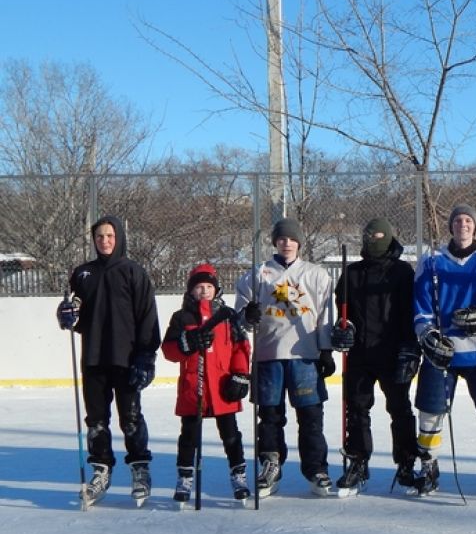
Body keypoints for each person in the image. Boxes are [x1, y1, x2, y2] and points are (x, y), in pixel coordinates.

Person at [56, 215, 160, 507]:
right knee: (96, 421)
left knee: (131, 418)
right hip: (93, 359)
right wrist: (66, 316)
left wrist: (145, 356)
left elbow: (147, 318)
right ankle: (101, 470)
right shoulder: (82, 274)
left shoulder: (133, 272)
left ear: (119, 238)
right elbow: (74, 313)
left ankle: (139, 468)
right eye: (100, 236)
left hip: (126, 360)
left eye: (110, 236)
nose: (105, 241)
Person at [412, 204, 476, 495]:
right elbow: (420, 306)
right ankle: (428, 464)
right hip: (441, 351)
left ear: (475, 225)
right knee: (431, 411)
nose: (463, 225)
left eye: (468, 220)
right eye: (458, 220)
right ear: (451, 226)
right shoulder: (431, 260)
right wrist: (428, 335)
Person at [234, 217, 336, 498]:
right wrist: (248, 316)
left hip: (305, 356)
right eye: (281, 239)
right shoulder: (257, 275)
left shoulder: (317, 275)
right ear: (275, 242)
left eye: (291, 239)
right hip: (268, 355)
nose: (286, 243)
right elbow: (241, 316)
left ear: (299, 242)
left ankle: (316, 468)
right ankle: (270, 465)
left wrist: (325, 349)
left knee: (311, 416)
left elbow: (325, 315)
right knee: (269, 416)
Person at [329, 218, 421, 496]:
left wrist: (410, 347)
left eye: (379, 236)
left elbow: (411, 313)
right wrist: (343, 331)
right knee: (356, 408)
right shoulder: (352, 273)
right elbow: (342, 313)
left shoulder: (403, 272)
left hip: (393, 352)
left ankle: (406, 461)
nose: (374, 241)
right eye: (369, 236)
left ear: (390, 238)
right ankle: (358, 460)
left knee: (400, 408)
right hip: (359, 353)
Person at [160, 263, 252, 504]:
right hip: (195, 387)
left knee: (231, 435)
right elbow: (169, 350)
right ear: (191, 290)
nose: (204, 291)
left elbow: (241, 347)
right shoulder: (182, 317)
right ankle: (184, 478)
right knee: (189, 436)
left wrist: (241, 374)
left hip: (223, 388)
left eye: (208, 286)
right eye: (199, 287)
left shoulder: (228, 315)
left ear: (216, 289)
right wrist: (187, 342)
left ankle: (238, 475)